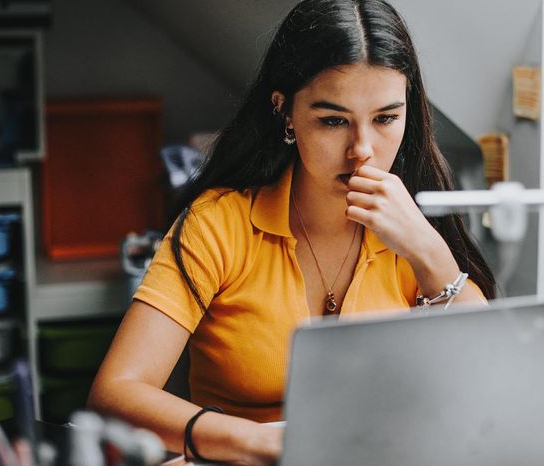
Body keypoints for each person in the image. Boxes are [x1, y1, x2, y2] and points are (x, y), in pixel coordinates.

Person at [88, 0, 495, 464]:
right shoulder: (219, 223)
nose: (362, 150)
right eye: (333, 121)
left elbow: (487, 391)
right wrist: (257, 442)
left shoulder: (416, 228)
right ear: (285, 113)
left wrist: (428, 252)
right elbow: (115, 394)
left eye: (385, 118)